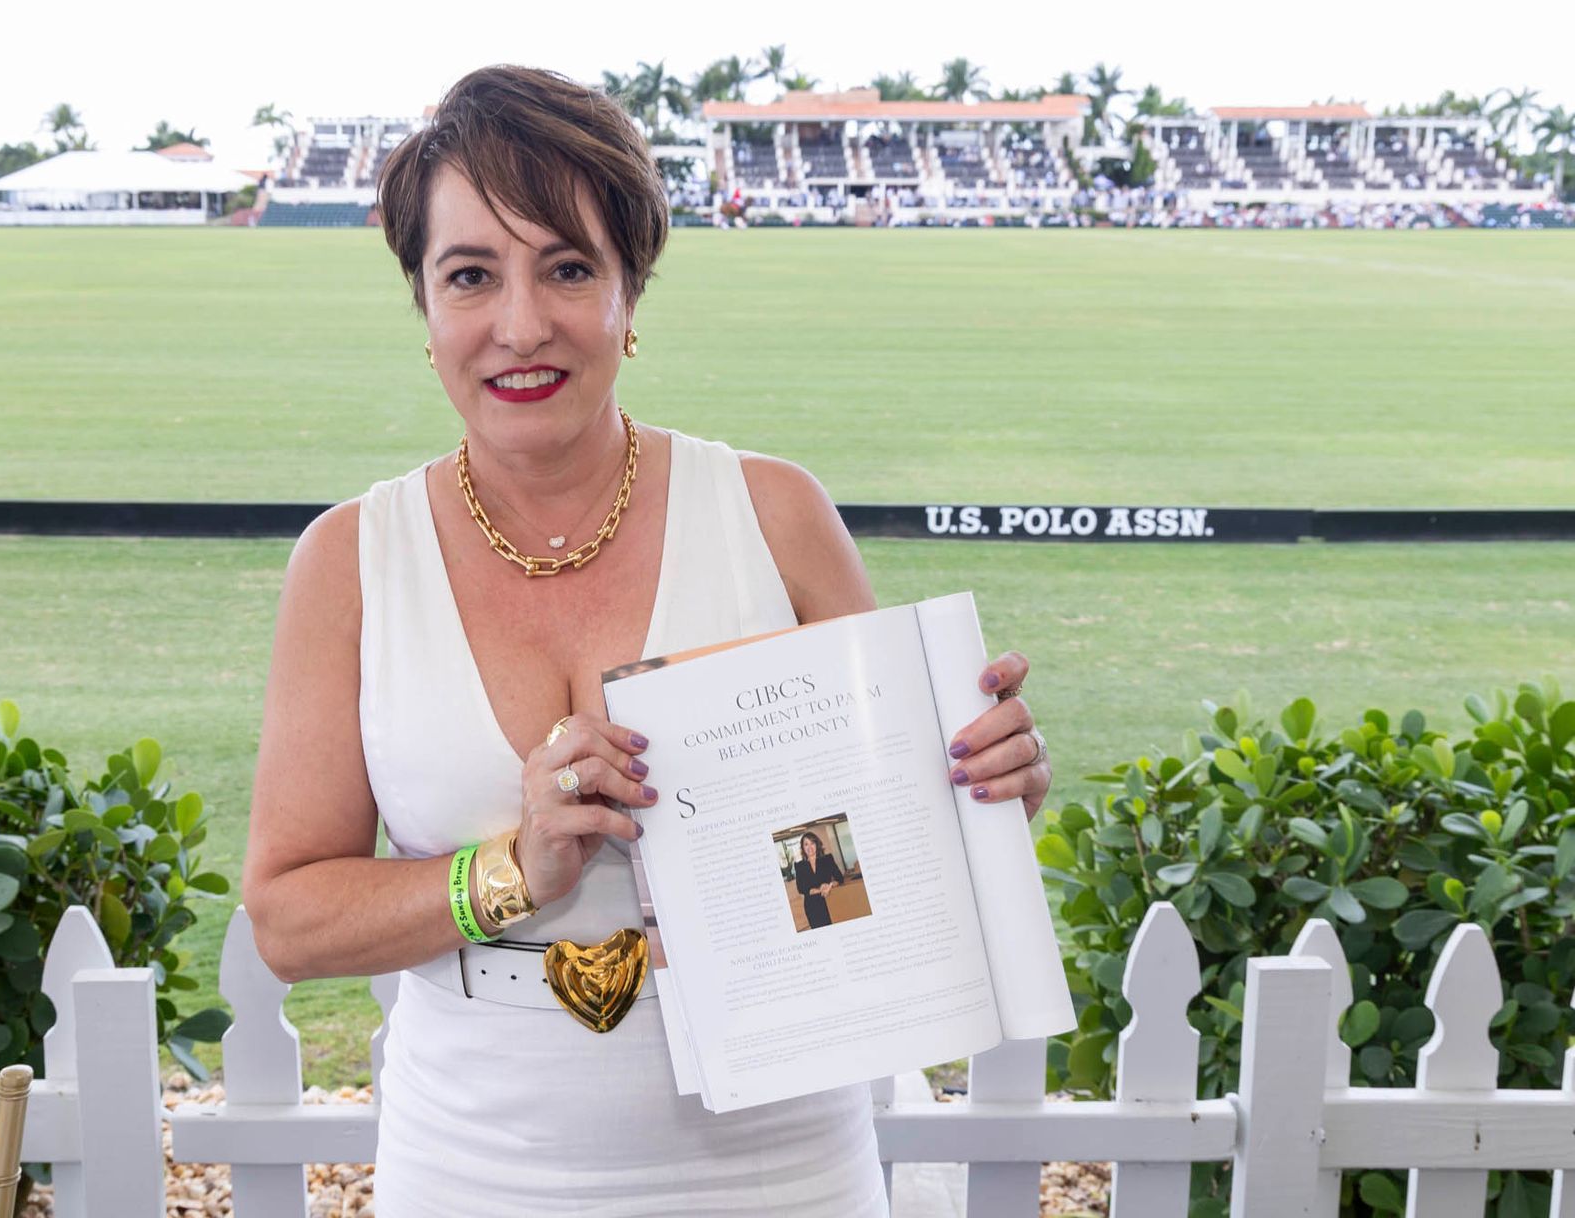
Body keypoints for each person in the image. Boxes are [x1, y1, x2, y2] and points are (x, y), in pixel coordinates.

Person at [240, 64, 1054, 1216]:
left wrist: (978, 795)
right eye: (470, 275)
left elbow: (890, 854)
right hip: (475, 1166)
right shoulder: (348, 561)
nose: (522, 324)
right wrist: (513, 868)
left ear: (631, 296)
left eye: (569, 267)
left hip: (783, 1162)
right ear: (424, 311)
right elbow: (288, 917)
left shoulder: (774, 515)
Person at [792, 831, 845, 930]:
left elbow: (840, 878)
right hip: (812, 907)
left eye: (812, 843)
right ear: (803, 848)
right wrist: (820, 890)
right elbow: (801, 889)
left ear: (817, 844)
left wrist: (830, 885)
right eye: (806, 844)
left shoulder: (827, 859)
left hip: (830, 901)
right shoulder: (800, 866)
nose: (809, 847)